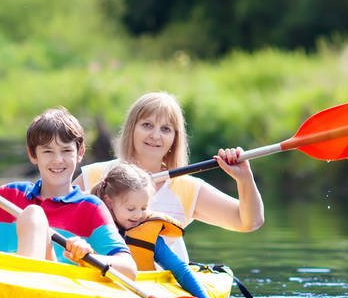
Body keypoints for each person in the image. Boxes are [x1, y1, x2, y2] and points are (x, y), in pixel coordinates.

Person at [0, 107, 138, 278]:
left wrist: (88, 256)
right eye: (48, 151)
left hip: (48, 292)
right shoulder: (10, 195)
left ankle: (22, 287)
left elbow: (129, 268)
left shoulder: (90, 208)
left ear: (80, 152)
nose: (58, 160)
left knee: (33, 215)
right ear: (33, 154)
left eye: (66, 151)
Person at [75, 91, 264, 261]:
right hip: (101, 274)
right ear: (132, 129)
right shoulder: (95, 175)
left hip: (163, 280)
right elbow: (58, 213)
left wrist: (244, 179)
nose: (155, 135)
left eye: (165, 129)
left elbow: (249, 222)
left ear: (175, 138)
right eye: (147, 125)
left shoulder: (186, 188)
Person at [91, 161, 212, 298]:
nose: (138, 215)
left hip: (138, 295)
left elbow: (179, 269)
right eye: (131, 209)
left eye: (143, 208)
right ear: (109, 201)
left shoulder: (150, 236)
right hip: (94, 288)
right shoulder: (92, 227)